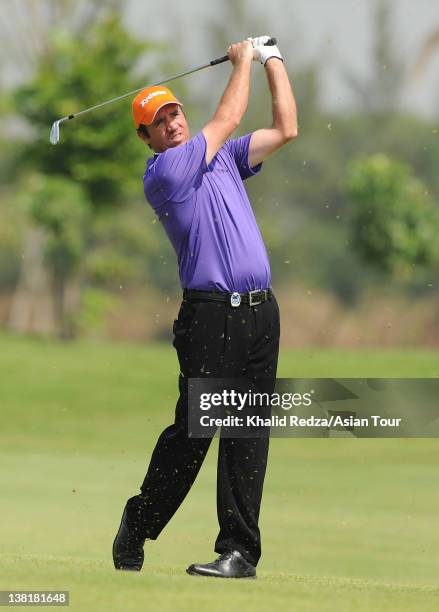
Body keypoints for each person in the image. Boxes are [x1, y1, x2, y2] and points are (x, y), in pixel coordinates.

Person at [113, 36, 298, 579]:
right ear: (145, 137)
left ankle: (239, 552)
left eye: (175, 112)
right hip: (211, 317)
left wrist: (273, 58)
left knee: (248, 434)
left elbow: (286, 127)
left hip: (262, 314)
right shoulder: (167, 174)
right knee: (195, 433)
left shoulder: (224, 159)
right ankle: (139, 521)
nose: (172, 123)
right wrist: (243, 62)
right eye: (159, 121)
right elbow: (231, 111)